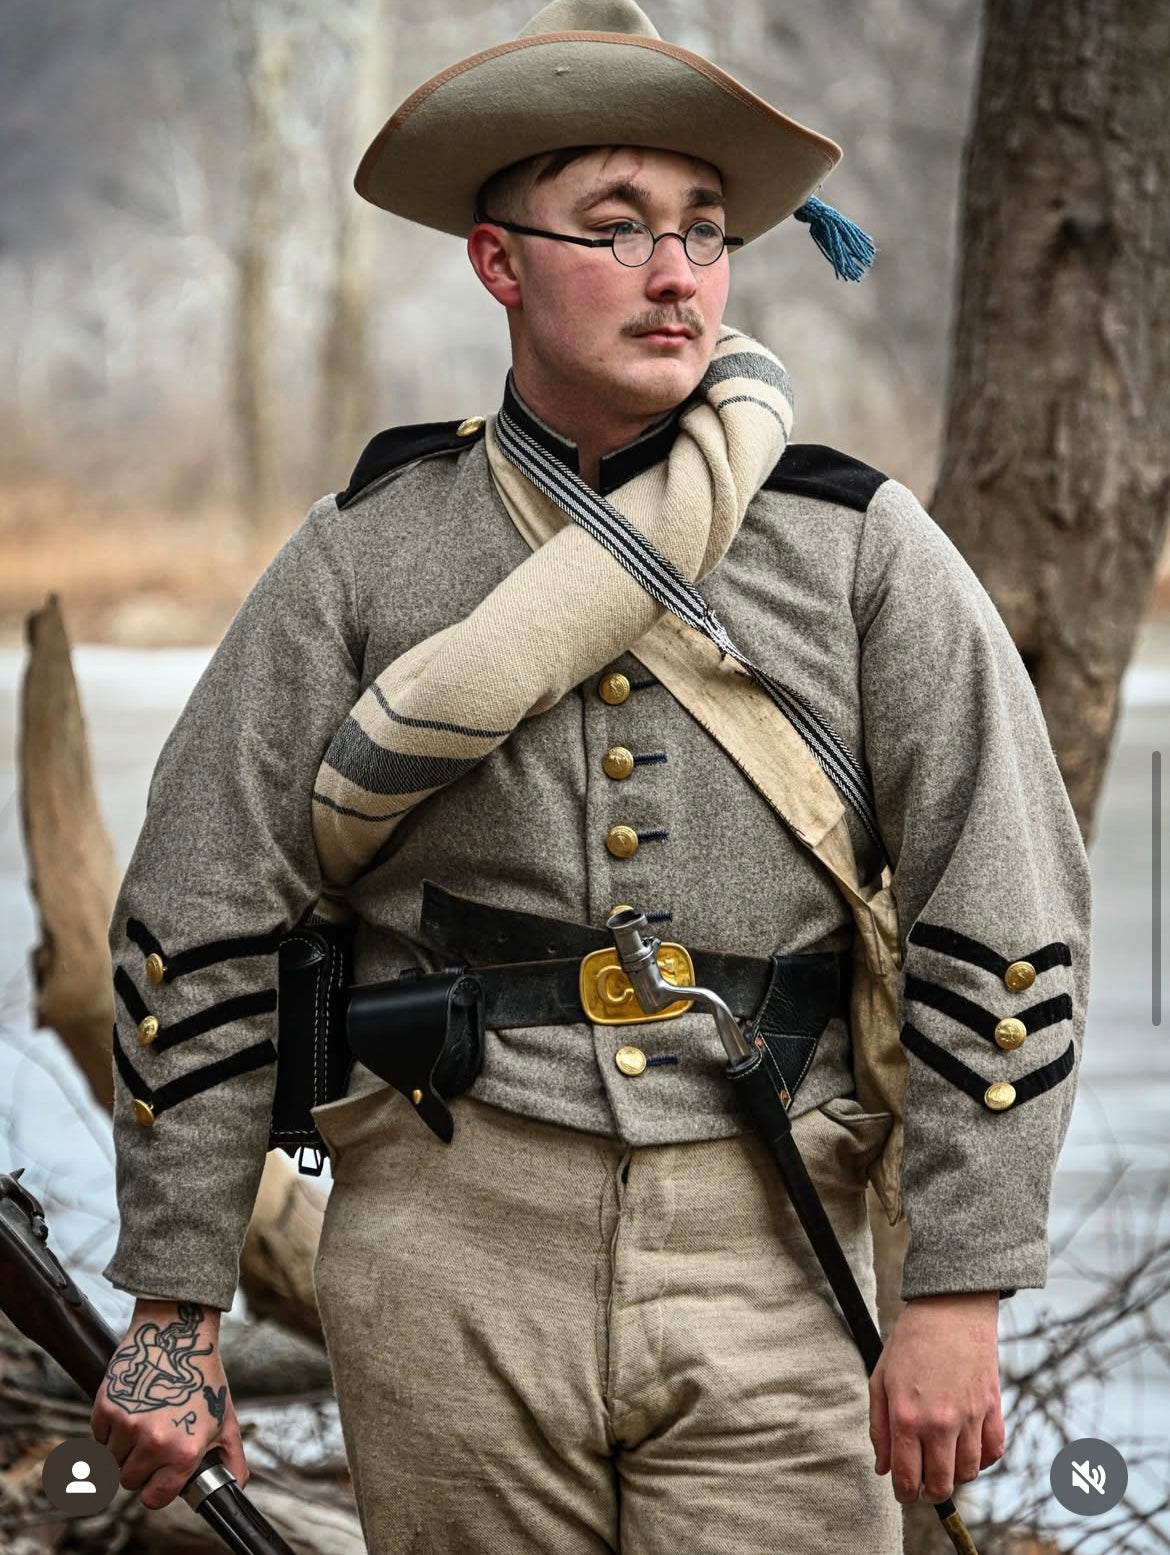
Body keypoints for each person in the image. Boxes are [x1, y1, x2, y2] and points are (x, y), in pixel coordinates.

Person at [90, 2, 1091, 1551]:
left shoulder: (859, 549)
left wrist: (955, 1289)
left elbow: (1005, 915)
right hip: (444, 1247)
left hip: (775, 1242)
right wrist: (174, 1308)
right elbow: (202, 912)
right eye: (614, 229)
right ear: (499, 261)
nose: (677, 272)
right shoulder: (368, 549)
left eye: (702, 230)